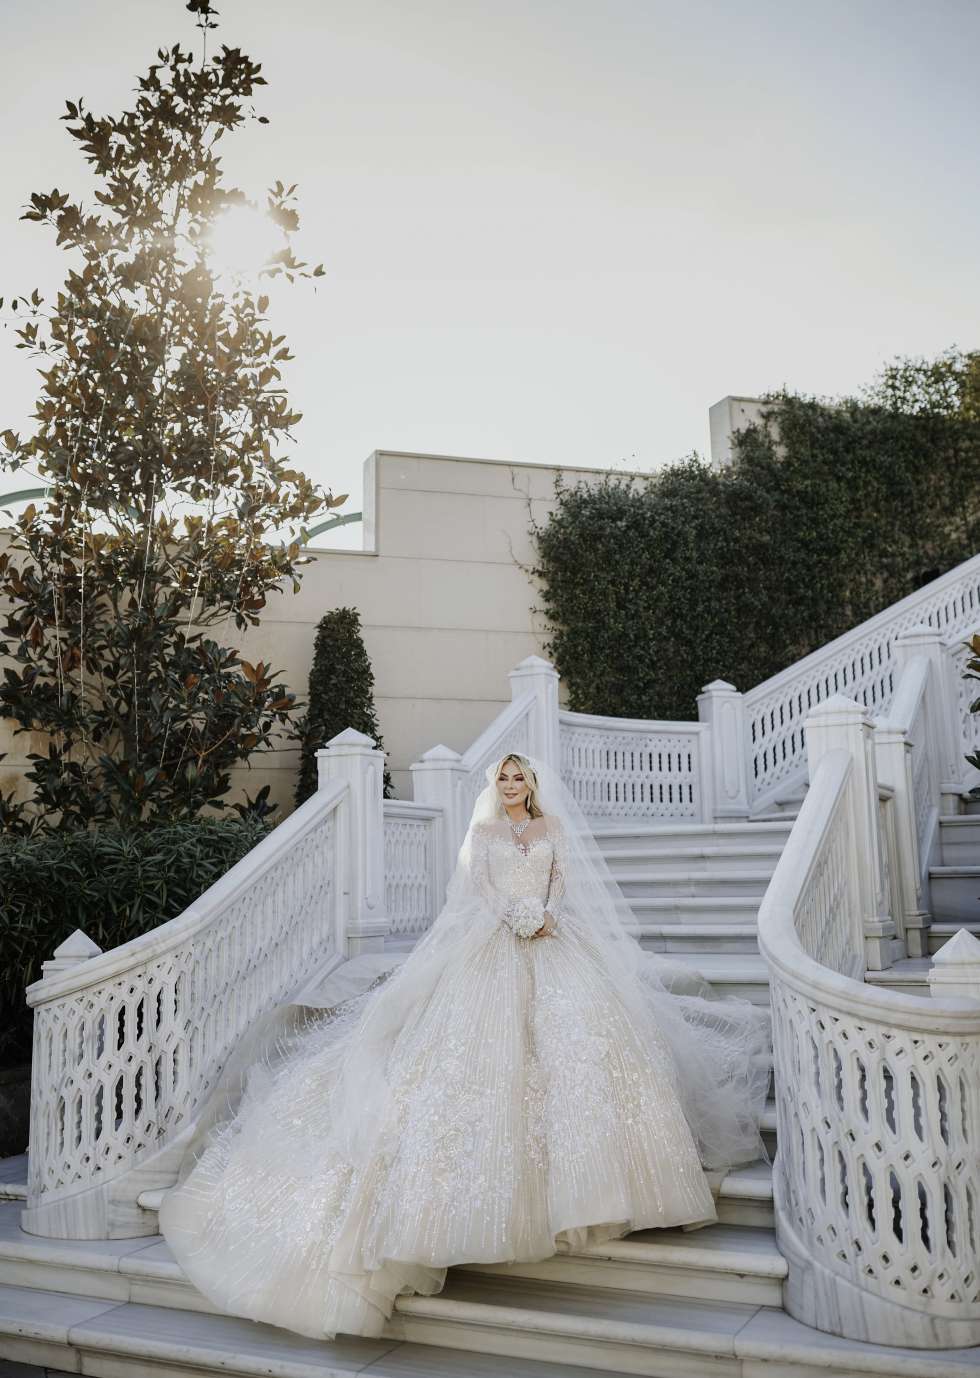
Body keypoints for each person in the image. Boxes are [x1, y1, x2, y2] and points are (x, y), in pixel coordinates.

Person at [159, 751, 771, 1341]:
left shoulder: (552, 826)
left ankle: (599, 1190)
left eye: (516, 776)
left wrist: (545, 914)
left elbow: (563, 879)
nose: (508, 785)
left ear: (530, 783)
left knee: (585, 1052)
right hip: (494, 943)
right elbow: (479, 888)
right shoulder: (482, 835)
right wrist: (514, 916)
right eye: (501, 777)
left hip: (556, 938)